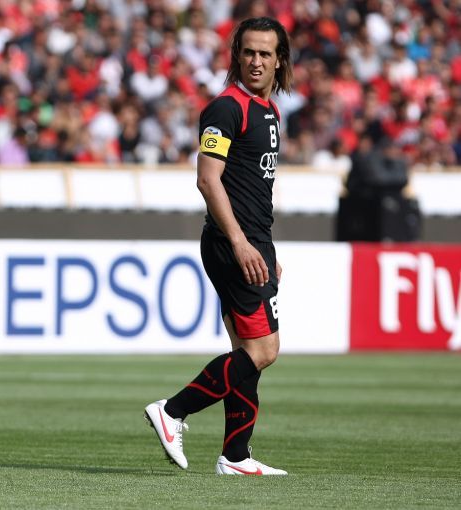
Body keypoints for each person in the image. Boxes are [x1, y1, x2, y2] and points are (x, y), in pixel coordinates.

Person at [144, 17, 292, 475]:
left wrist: (265, 248)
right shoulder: (226, 109)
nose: (256, 61)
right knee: (264, 350)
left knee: (245, 350)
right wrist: (242, 243)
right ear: (236, 56)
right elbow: (208, 180)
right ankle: (172, 411)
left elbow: (254, 188)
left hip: (252, 242)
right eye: (248, 52)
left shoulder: (269, 110)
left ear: (279, 60)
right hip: (233, 244)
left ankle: (236, 456)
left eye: (265, 53)